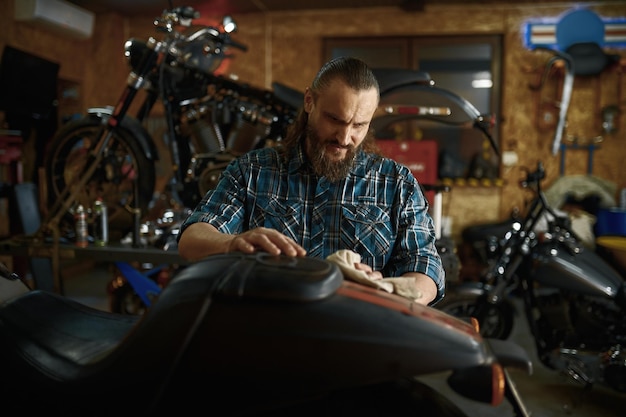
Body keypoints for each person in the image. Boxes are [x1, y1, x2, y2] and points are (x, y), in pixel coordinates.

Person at [177, 56, 445, 305]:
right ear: (309, 102)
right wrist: (232, 243)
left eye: (359, 125)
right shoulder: (253, 170)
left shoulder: (396, 182)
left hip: (358, 336)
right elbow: (192, 240)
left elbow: (425, 266)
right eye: (334, 119)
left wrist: (388, 290)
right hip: (268, 333)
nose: (344, 137)